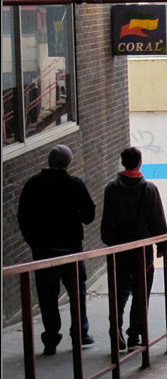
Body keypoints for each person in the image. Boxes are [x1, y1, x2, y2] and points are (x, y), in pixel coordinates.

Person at [17, 144, 96, 354]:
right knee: (76, 293)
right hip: (71, 249)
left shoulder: (33, 184)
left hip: (43, 251)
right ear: (68, 163)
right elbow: (89, 216)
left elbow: (23, 217)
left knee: (47, 296)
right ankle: (80, 334)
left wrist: (33, 242)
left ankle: (51, 338)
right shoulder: (74, 184)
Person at [102, 147, 167, 351]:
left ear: (123, 163)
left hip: (119, 251)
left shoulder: (111, 188)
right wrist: (161, 246)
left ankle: (116, 328)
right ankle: (134, 335)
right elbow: (158, 220)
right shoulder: (149, 189)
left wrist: (110, 243)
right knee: (141, 293)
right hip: (142, 252)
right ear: (140, 163)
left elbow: (107, 222)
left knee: (119, 291)